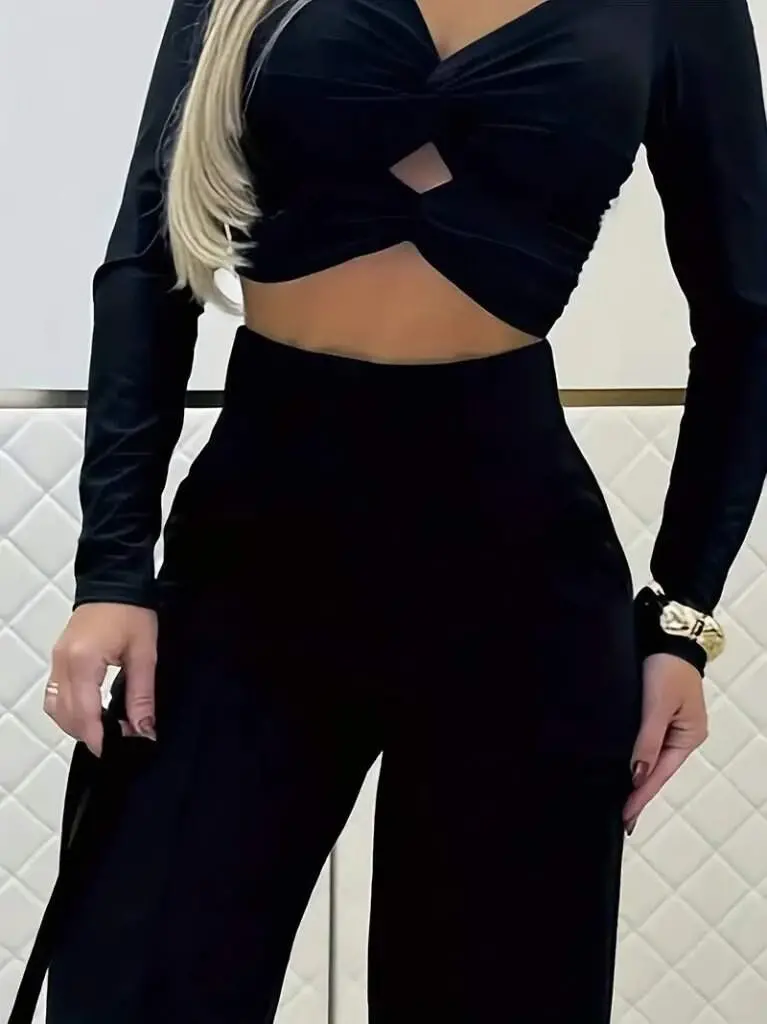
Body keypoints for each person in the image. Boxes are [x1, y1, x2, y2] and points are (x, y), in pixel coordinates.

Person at [11, 0, 767, 1021]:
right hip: (250, 561)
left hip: (517, 584)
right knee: (132, 982)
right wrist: (112, 570)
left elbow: (747, 314)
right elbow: (149, 265)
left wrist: (681, 616)